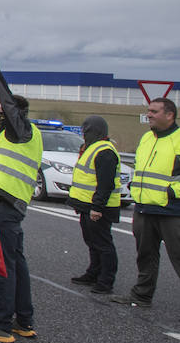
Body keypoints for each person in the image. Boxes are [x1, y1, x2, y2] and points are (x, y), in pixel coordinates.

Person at [0, 40, 42, 343]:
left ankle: (2, 325)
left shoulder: (22, 131)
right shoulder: (7, 137)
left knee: (3, 264)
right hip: (6, 205)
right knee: (16, 263)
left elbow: (9, 109)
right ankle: (23, 321)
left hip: (4, 205)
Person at [113, 97, 180, 308]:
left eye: (154, 111)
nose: (148, 114)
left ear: (169, 115)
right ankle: (142, 295)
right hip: (143, 208)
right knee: (145, 255)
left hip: (172, 211)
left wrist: (172, 192)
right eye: (148, 110)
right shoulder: (146, 138)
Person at [67, 115, 121, 295]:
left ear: (95, 131)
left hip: (99, 208)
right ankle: (93, 274)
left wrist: (97, 207)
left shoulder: (104, 151)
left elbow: (105, 184)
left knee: (103, 244)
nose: (83, 134)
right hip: (88, 205)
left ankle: (106, 281)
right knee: (92, 242)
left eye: (86, 131)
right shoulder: (92, 148)